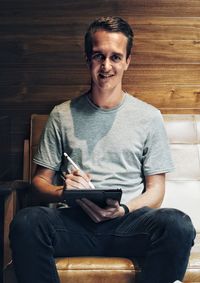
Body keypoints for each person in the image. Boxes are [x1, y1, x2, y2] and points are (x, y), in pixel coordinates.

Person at [9, 16, 195, 283]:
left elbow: (156, 191)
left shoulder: (149, 117)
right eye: (98, 56)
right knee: (27, 222)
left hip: (128, 225)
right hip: (72, 224)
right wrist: (64, 190)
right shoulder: (62, 115)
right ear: (88, 58)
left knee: (178, 224)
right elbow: (39, 184)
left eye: (115, 57)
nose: (106, 66)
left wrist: (124, 210)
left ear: (128, 61)